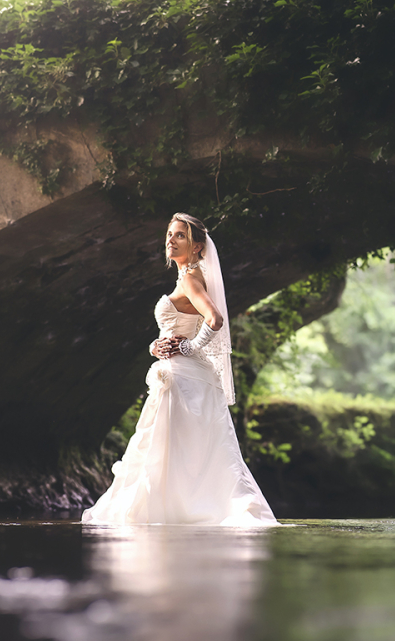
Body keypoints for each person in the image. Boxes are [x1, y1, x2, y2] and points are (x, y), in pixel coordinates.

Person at [82, 214, 278, 526]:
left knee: (171, 453)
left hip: (183, 380)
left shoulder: (190, 278)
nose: (171, 240)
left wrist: (189, 347)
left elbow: (214, 319)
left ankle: (173, 514)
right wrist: (155, 347)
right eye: (170, 234)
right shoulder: (188, 277)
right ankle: (187, 512)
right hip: (184, 376)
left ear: (198, 247)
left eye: (180, 236)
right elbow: (176, 328)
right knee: (188, 453)